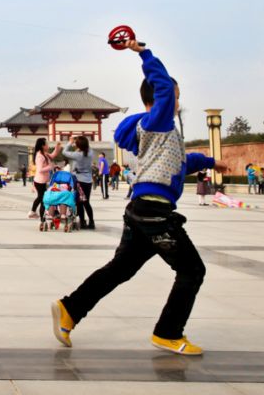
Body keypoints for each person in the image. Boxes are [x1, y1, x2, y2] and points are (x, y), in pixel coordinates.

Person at [52, 39, 216, 356]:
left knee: (119, 269)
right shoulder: (156, 121)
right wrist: (144, 53)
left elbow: (182, 163)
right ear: (161, 97)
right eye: (175, 98)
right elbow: (164, 91)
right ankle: (168, 332)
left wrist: (210, 162)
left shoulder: (160, 132)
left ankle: (70, 309)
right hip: (154, 212)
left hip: (142, 211)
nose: (177, 104)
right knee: (192, 270)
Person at [65, 136, 96, 230]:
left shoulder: (77, 155)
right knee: (87, 202)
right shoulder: (90, 153)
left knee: (79, 202)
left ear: (78, 146)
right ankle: (91, 222)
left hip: (79, 180)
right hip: (88, 180)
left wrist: (70, 142)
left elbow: (64, 152)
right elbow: (87, 147)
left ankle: (82, 222)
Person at [30, 138, 58, 218]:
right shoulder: (40, 156)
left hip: (43, 180)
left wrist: (57, 148)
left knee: (41, 198)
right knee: (42, 199)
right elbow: (40, 170)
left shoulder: (44, 153)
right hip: (40, 181)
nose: (48, 145)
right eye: (46, 144)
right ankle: (41, 217)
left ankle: (33, 212)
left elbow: (52, 156)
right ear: (42, 146)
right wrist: (51, 166)